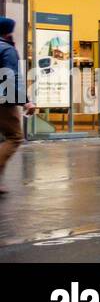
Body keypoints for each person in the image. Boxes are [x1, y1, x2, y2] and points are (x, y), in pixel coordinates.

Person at [0, 17, 35, 194]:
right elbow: (10, 77)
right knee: (14, 137)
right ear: (8, 32)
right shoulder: (7, 49)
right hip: (3, 102)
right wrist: (25, 101)